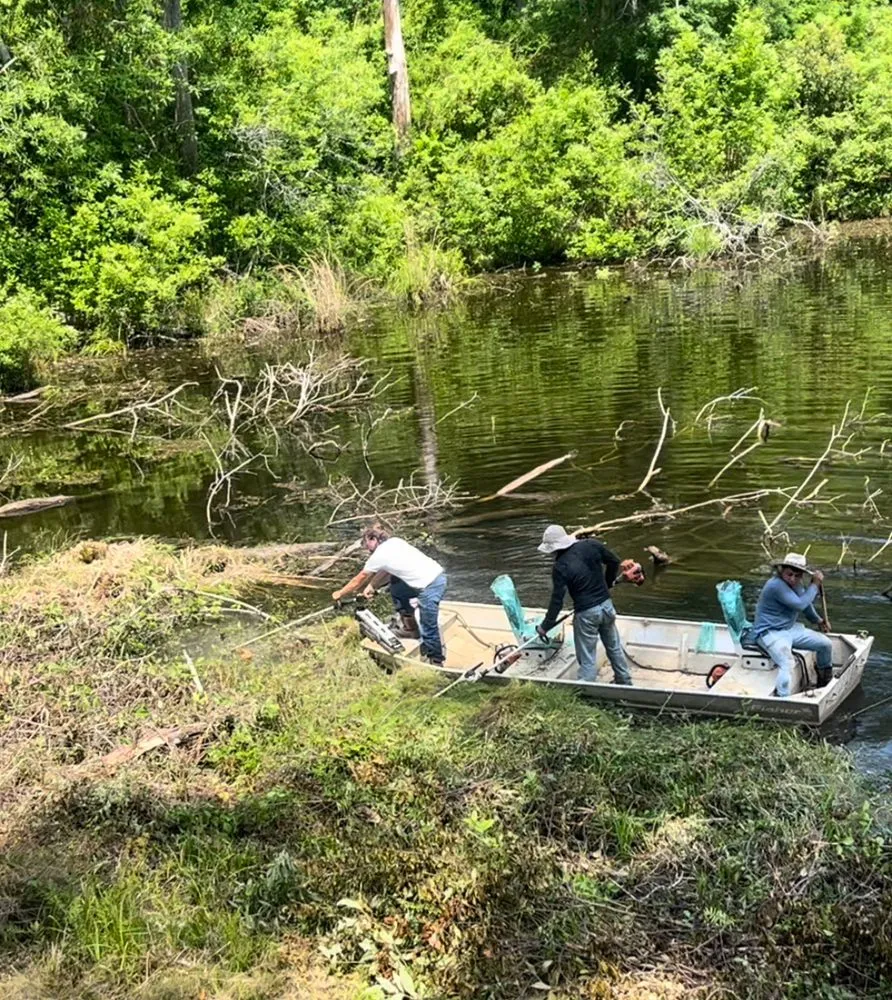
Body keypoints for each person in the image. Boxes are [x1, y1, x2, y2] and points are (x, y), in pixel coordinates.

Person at [534, 524, 637, 685]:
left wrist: (545, 626)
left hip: (587, 614)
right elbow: (614, 561)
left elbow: (557, 601)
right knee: (614, 646)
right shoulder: (591, 545)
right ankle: (624, 680)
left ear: (553, 549)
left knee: (587, 655)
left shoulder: (560, 566)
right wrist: (607, 583)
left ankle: (586, 687)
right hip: (607, 606)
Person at [332, 526, 448, 665]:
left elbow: (359, 579)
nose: (367, 549)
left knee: (428, 625)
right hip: (438, 576)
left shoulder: (379, 555)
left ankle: (436, 660)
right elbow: (388, 570)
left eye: (366, 544)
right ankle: (411, 630)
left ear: (373, 539)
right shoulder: (395, 541)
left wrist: (340, 593)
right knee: (398, 587)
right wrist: (372, 586)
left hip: (430, 586)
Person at [751, 552, 832, 696]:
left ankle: (824, 683)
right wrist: (814, 585)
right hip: (769, 632)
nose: (793, 579)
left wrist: (818, 621)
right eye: (789, 574)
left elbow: (806, 606)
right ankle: (783, 698)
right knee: (787, 663)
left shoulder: (797, 585)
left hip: (789, 629)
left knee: (825, 644)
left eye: (797, 575)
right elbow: (800, 604)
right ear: (781, 571)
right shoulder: (775, 585)